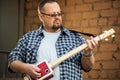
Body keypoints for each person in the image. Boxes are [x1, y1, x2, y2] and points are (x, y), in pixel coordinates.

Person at [8, 0, 98, 80]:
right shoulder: (28, 38)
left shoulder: (76, 38)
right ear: (41, 17)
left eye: (59, 14)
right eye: (52, 15)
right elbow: (12, 61)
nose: (57, 17)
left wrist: (87, 53)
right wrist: (26, 68)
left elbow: (87, 67)